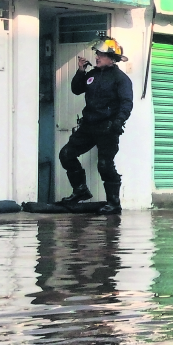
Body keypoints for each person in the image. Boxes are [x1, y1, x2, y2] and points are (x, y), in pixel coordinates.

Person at [58, 37, 132, 215]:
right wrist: (81, 71)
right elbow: (76, 89)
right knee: (66, 154)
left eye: (101, 54)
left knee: (105, 165)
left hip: (107, 128)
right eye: (97, 54)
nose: (97, 57)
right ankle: (80, 190)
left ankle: (114, 203)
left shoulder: (121, 79)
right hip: (88, 126)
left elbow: (126, 103)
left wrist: (117, 123)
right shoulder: (92, 74)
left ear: (111, 58)